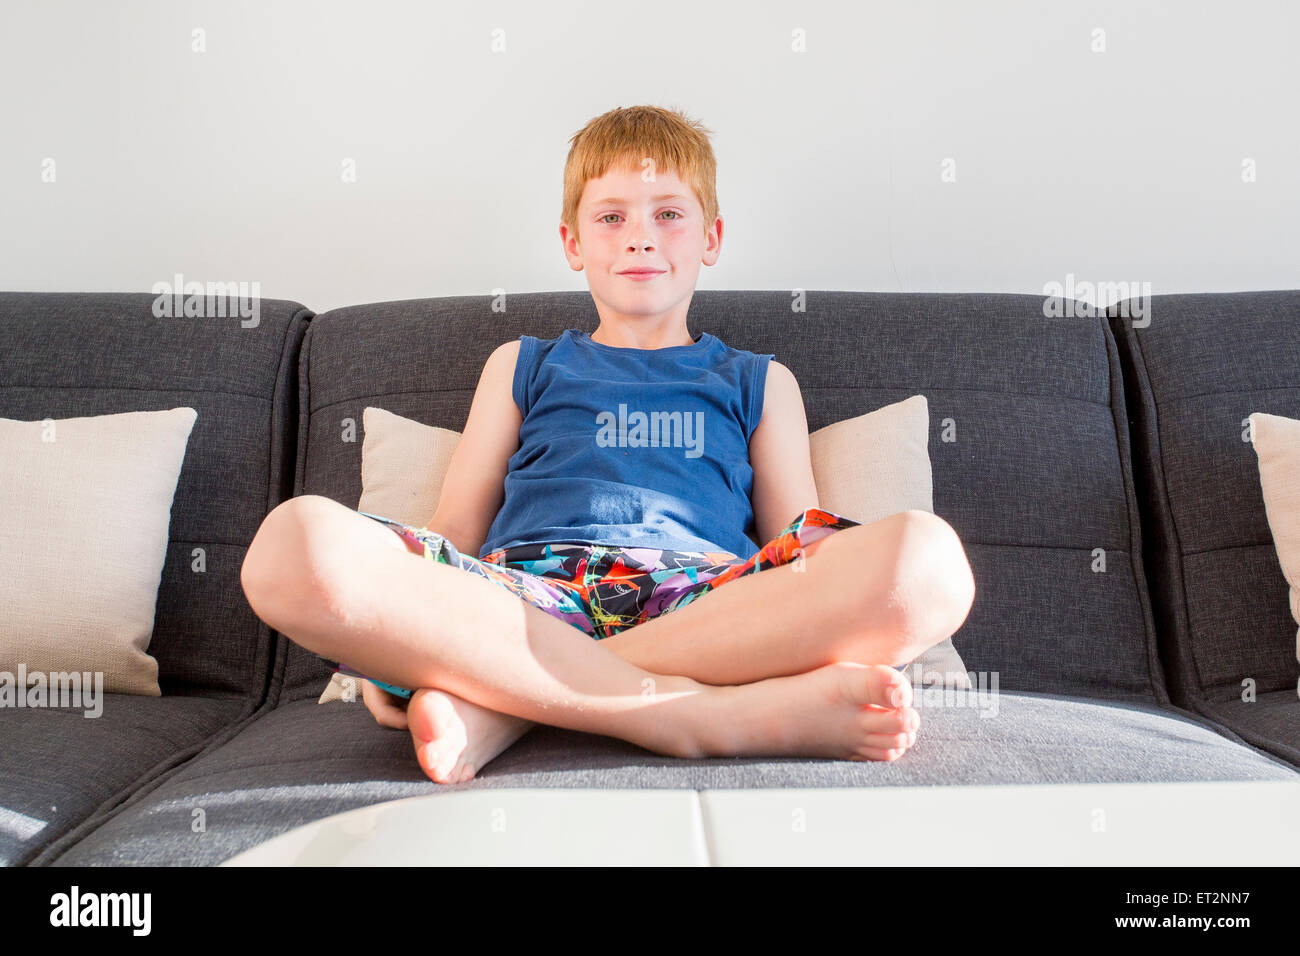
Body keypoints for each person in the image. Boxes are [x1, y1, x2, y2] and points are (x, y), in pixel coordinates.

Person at [240, 105, 975, 785]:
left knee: (932, 564)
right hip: (523, 598)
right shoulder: (521, 364)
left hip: (704, 607)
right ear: (573, 243)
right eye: (612, 216)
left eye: (668, 215)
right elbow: (456, 531)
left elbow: (797, 547)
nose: (640, 235)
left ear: (711, 238)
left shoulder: (759, 381)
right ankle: (699, 718)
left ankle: (510, 704)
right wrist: (394, 614)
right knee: (290, 543)